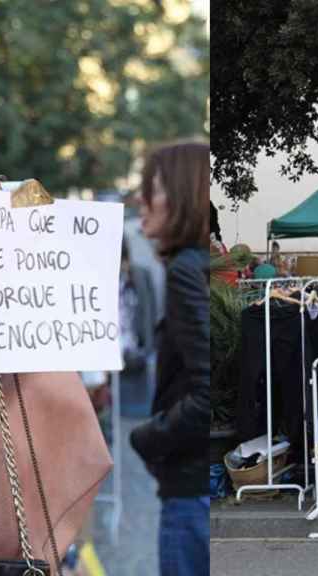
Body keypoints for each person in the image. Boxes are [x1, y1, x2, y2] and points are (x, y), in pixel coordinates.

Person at [129, 140, 210, 576]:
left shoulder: (184, 271)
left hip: (190, 489)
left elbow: (206, 392)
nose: (142, 200)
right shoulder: (192, 266)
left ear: (180, 197)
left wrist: (147, 438)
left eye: (153, 189)